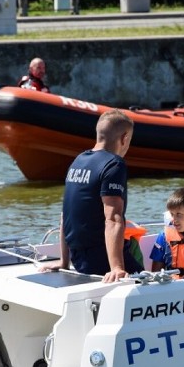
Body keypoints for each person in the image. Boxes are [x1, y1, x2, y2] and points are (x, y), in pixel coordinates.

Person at [41, 109, 143, 282]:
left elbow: (66, 214)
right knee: (150, 280)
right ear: (124, 138)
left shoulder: (78, 160)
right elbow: (113, 218)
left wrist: (64, 261)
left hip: (79, 259)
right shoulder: (114, 164)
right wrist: (117, 268)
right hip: (100, 259)